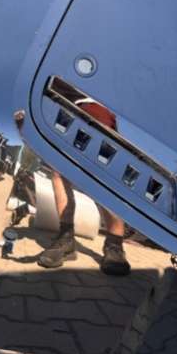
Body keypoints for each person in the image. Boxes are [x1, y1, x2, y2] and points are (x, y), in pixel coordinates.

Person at [37, 98, 130, 276]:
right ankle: (66, 238)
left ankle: (115, 245)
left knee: (106, 176)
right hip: (72, 109)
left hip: (100, 110)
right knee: (59, 170)